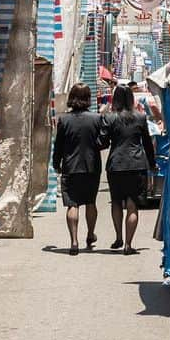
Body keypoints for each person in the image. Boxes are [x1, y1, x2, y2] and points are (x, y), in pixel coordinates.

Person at [53, 83, 107, 256]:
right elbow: (103, 142)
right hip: (92, 166)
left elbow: (58, 145)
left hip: (70, 166)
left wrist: (56, 163)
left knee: (72, 204)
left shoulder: (64, 120)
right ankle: (90, 234)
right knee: (90, 202)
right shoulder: (97, 119)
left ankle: (74, 241)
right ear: (88, 98)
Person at [104, 84, 156, 255]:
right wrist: (152, 164)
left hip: (116, 164)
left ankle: (118, 237)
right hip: (136, 164)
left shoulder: (110, 118)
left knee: (117, 202)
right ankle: (128, 244)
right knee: (132, 206)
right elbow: (148, 143)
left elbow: (103, 141)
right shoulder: (140, 117)